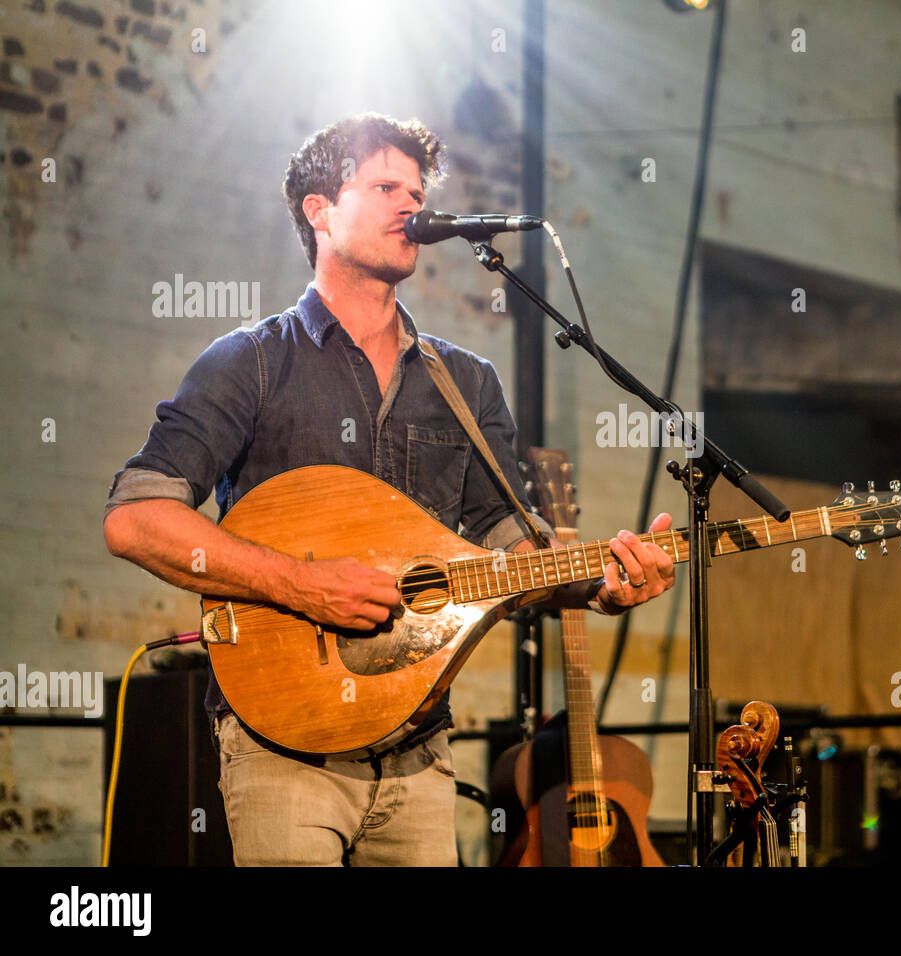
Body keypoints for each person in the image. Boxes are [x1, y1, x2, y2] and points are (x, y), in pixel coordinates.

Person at [102, 113, 676, 865]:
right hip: (284, 748)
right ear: (320, 211)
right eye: (384, 187)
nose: (412, 204)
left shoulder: (466, 381)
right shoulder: (250, 362)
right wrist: (304, 586)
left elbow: (509, 547)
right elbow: (136, 519)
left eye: (418, 189)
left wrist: (596, 585)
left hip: (421, 750)